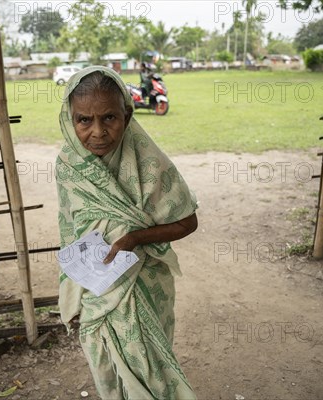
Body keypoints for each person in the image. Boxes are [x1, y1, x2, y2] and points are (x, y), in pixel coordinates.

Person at [56, 65, 198, 399]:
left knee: (151, 369)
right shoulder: (67, 165)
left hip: (145, 285)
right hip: (96, 290)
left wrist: (134, 238)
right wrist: (74, 292)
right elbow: (69, 231)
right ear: (69, 118)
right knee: (107, 366)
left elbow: (187, 222)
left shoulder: (149, 163)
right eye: (84, 120)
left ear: (128, 115)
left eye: (109, 118)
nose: (98, 132)